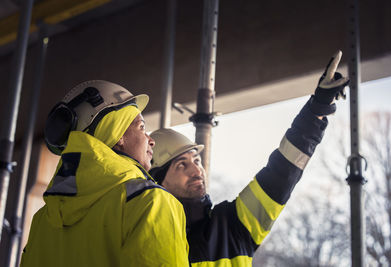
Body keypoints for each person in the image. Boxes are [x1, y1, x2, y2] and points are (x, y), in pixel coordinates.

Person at [149, 51, 349, 266]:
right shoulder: (146, 237)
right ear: (158, 180)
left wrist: (317, 108)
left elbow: (282, 172)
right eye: (182, 165)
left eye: (196, 161)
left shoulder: (233, 225)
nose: (197, 171)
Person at [20, 80, 189, 267]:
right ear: (118, 135)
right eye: (141, 127)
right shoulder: (150, 201)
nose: (151, 140)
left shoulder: (43, 220)